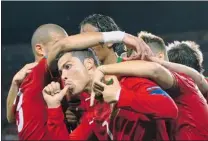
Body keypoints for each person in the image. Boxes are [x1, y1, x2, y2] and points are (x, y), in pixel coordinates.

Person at [6, 23, 144, 140]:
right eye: (59, 43)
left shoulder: (28, 81)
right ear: (40, 49)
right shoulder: (37, 74)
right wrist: (120, 36)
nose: (70, 47)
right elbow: (63, 45)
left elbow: (11, 118)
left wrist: (14, 84)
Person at [42, 49, 178, 141]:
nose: (64, 76)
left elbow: (170, 109)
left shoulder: (128, 81)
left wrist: (120, 95)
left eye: (68, 67)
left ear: (89, 64)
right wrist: (53, 107)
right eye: (61, 72)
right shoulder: (93, 111)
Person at [107, 31, 208, 140]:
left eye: (136, 60)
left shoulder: (184, 82)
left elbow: (154, 70)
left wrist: (104, 71)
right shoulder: (156, 92)